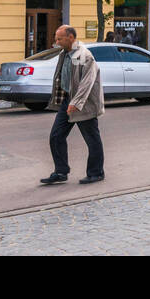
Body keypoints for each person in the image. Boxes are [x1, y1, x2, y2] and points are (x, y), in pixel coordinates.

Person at [41, 25, 105, 185]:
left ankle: (96, 173)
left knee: (92, 139)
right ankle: (61, 172)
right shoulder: (65, 53)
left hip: (83, 104)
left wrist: (76, 102)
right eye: (56, 38)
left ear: (70, 37)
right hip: (67, 101)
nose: (56, 41)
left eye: (59, 38)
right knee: (56, 136)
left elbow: (87, 81)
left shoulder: (82, 54)